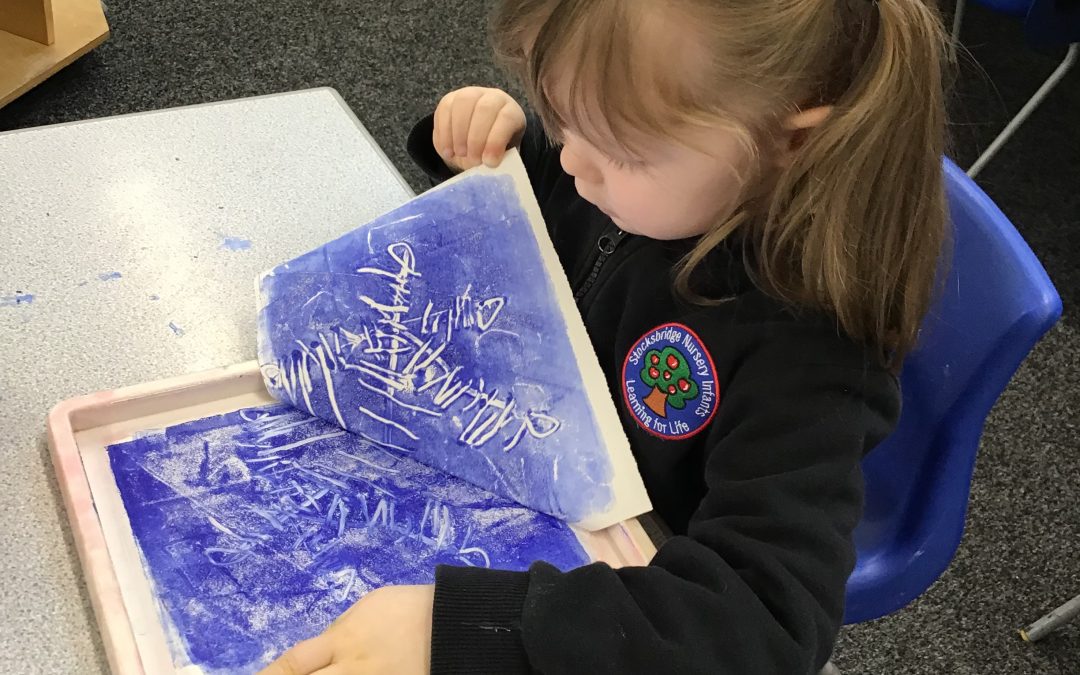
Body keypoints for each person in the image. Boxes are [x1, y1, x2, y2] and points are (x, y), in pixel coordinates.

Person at [261, 0, 950, 673]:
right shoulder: (639, 184)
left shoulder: (811, 356)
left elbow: (762, 619)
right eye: (564, 121)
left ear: (789, 141)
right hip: (533, 460)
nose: (573, 167)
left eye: (617, 148)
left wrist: (479, 629)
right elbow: (564, 223)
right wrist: (502, 151)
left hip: (632, 587)